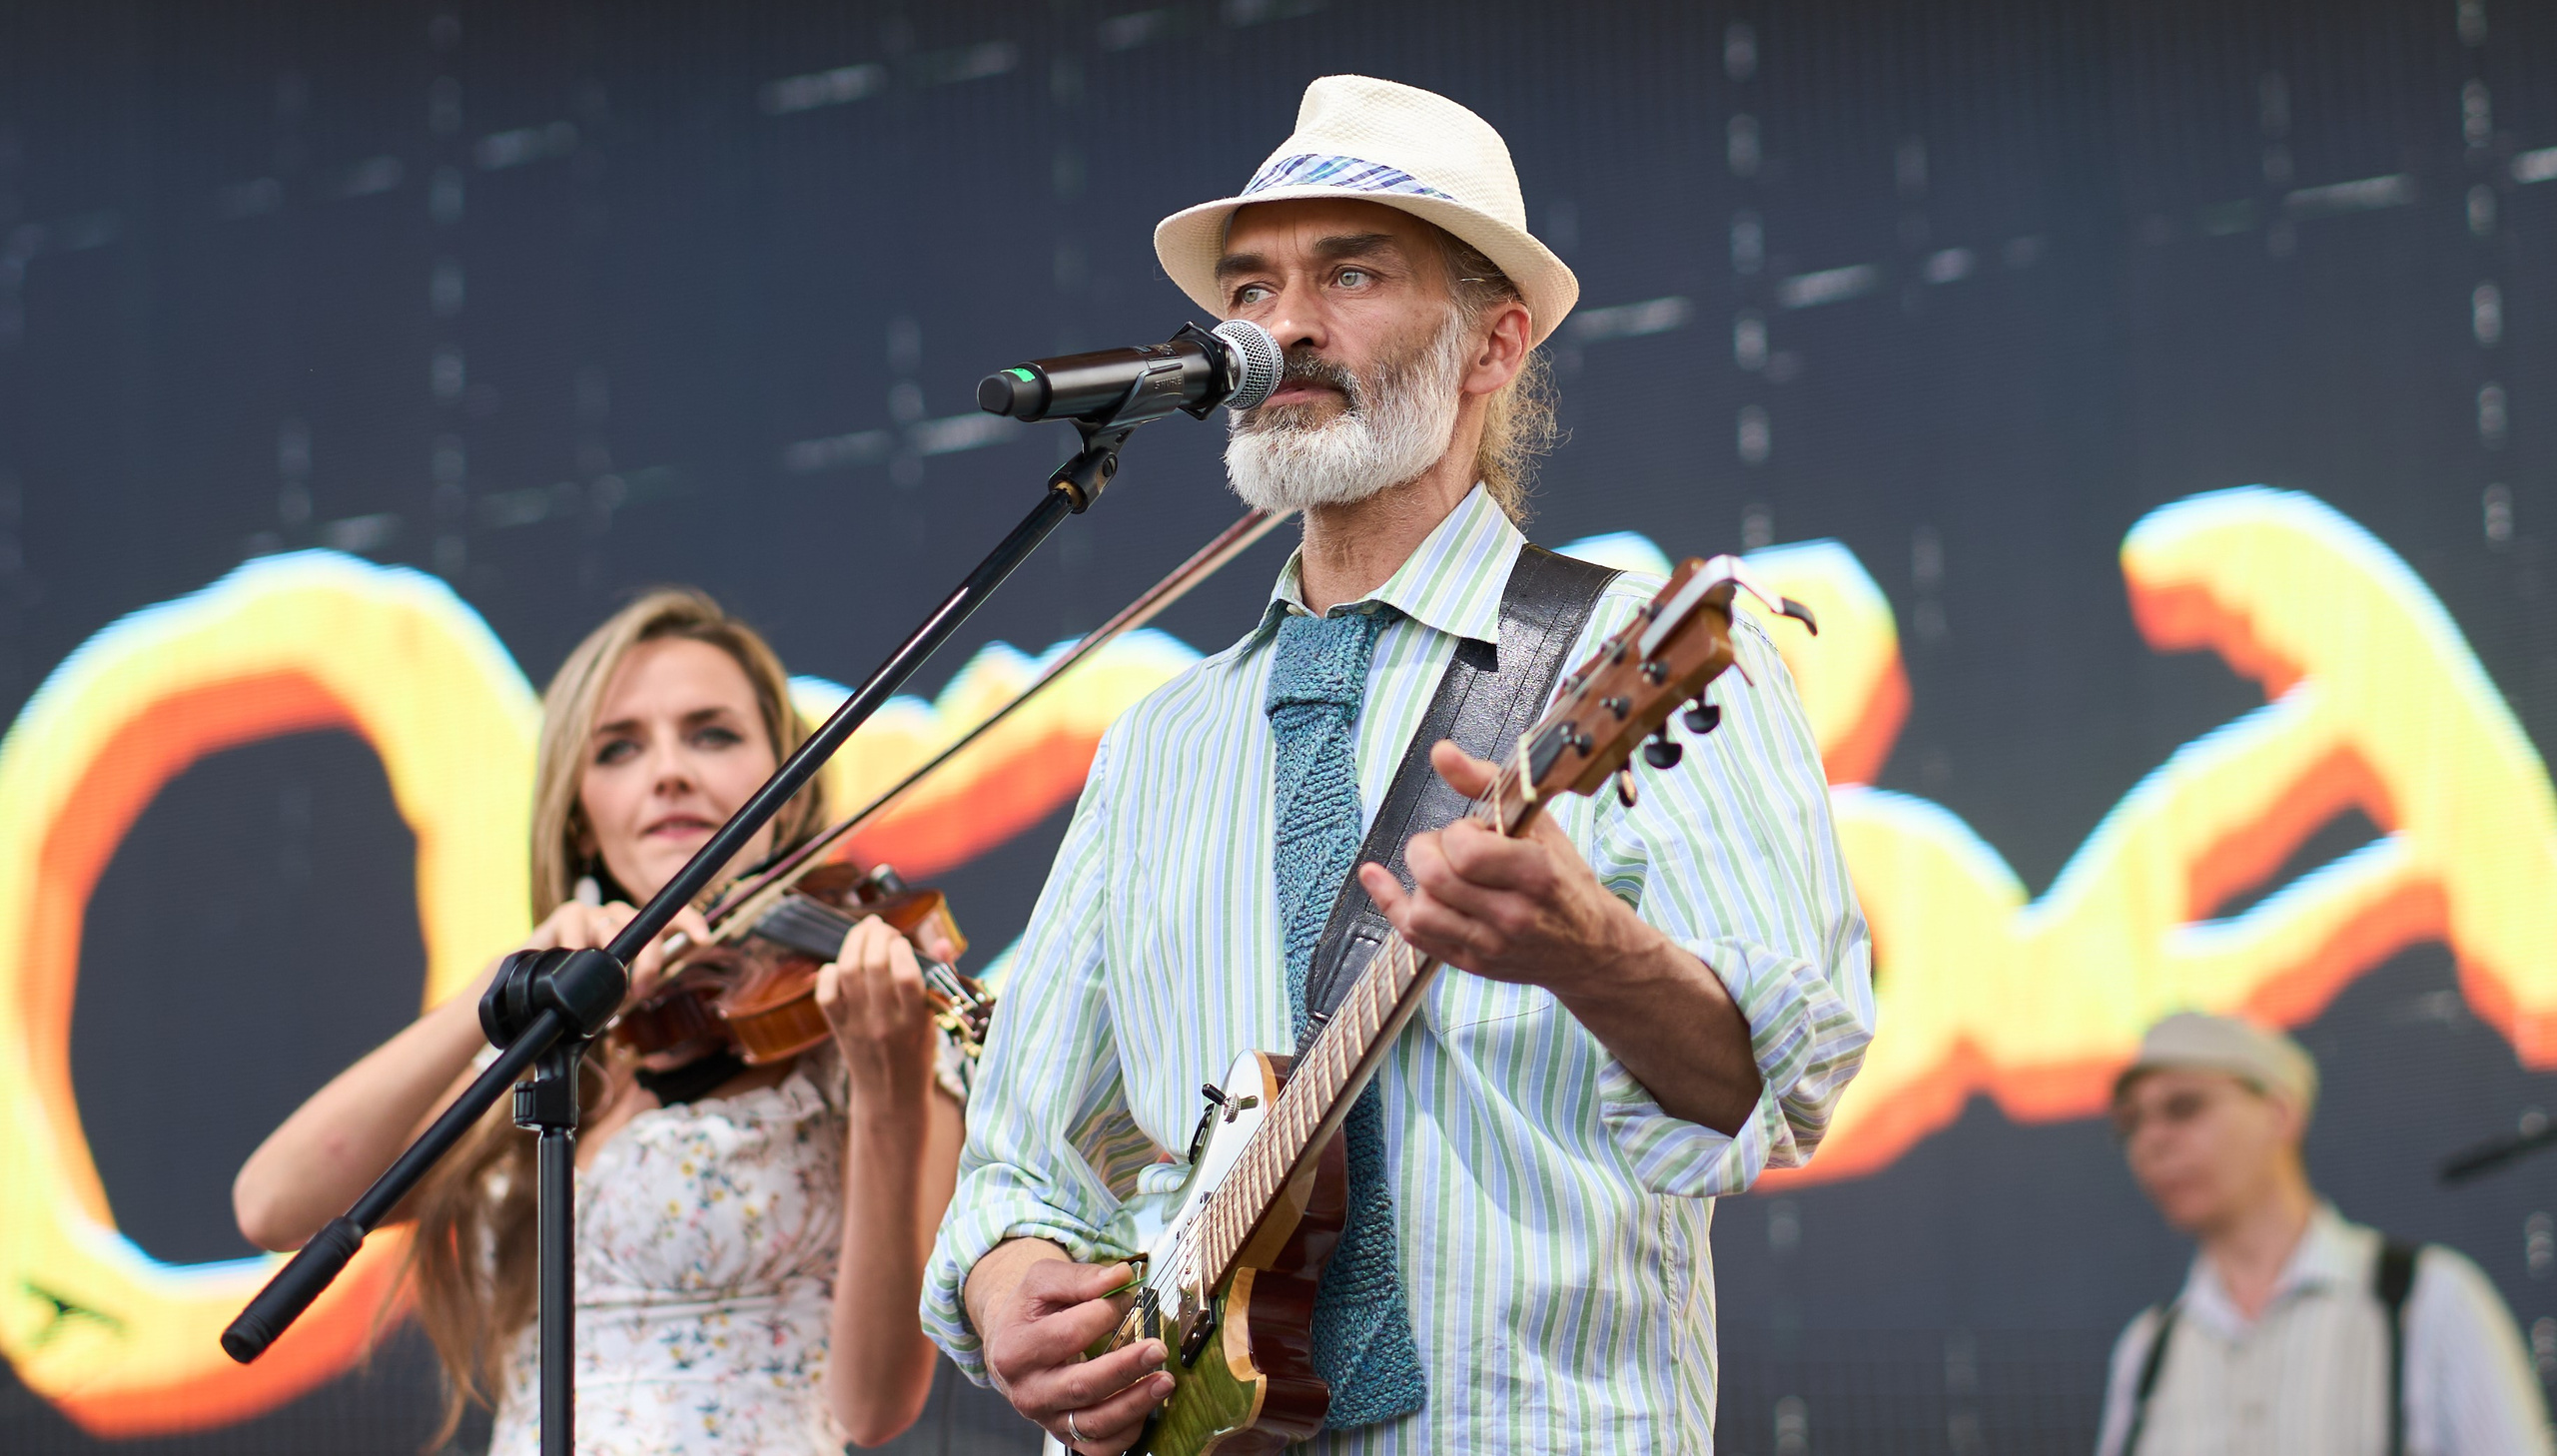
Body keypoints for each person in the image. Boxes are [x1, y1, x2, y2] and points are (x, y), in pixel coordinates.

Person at [923, 75, 1876, 1453]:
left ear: (1494, 345)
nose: (1283, 323)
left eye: (1351, 272)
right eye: (1250, 287)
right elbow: (1033, 1144)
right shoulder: (1161, 741)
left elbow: (1777, 1086)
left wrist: (1592, 949)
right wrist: (1013, 1281)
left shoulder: (1624, 650)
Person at [233, 589, 969, 1454]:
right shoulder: (550, 1044)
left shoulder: (861, 1031)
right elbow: (274, 1203)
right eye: (619, 747)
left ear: (790, 796)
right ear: (579, 812)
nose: (668, 770)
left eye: (713, 733)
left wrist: (887, 1092)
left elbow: (874, 1407)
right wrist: (503, 987)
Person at [2097, 1011, 2553, 1456]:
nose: (2151, 1140)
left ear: (2280, 1113)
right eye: (2131, 1123)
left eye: (2184, 1107)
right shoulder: (2148, 1350)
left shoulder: (2428, 1301)